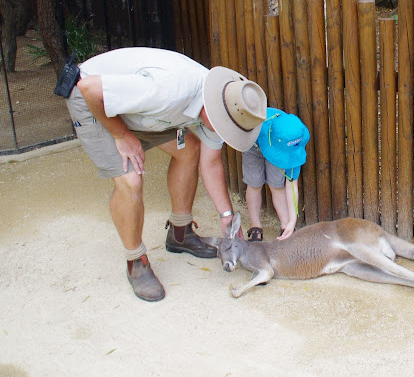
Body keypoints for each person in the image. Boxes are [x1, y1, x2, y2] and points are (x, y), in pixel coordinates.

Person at [65, 47, 267, 302]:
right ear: (215, 110)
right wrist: (122, 135)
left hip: (142, 111)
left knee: (189, 148)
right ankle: (135, 261)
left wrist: (226, 216)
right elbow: (90, 88)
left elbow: (212, 163)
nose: (225, 133)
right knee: (131, 178)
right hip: (93, 102)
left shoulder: (225, 108)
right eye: (225, 127)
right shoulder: (169, 91)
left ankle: (179, 234)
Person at [242, 108, 309, 242]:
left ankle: (285, 227)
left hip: (280, 148)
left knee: (277, 186)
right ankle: (256, 226)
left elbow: (291, 184)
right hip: (253, 144)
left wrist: (292, 221)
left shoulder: (295, 141)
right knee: (254, 183)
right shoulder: (257, 125)